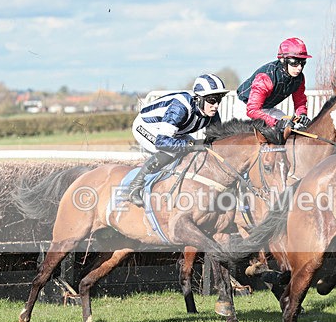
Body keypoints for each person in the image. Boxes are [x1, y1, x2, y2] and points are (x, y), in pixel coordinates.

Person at [126, 73, 229, 207]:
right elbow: (162, 142)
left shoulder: (211, 112)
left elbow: (217, 141)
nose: (215, 105)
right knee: (172, 151)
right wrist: (192, 144)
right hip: (147, 127)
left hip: (175, 131)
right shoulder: (180, 107)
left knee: (198, 152)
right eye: (211, 100)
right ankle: (135, 185)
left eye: (218, 100)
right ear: (199, 99)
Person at [236, 37, 312, 143]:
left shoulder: (299, 78)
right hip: (246, 107)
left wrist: (302, 114)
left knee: (292, 128)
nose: (299, 68)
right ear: (283, 60)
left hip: (267, 108)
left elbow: (299, 101)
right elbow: (252, 110)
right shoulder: (265, 78)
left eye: (302, 63)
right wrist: (276, 123)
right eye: (294, 62)